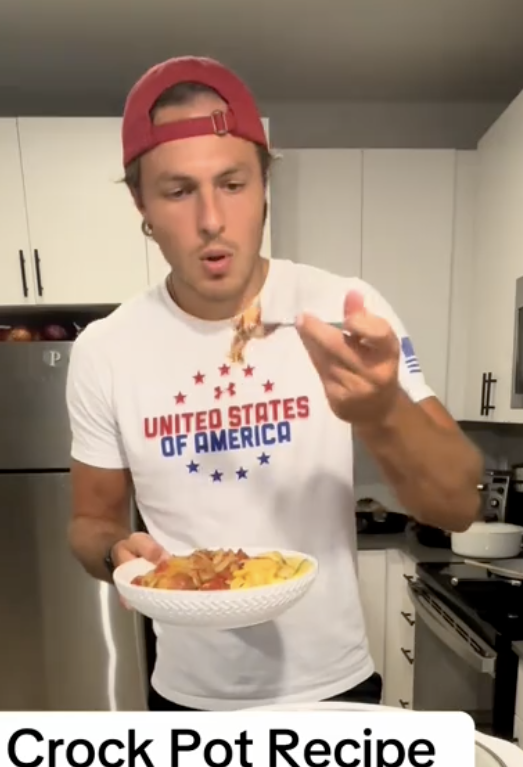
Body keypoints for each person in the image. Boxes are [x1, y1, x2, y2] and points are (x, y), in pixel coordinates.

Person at [66, 55, 483, 713]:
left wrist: (382, 414)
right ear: (140, 203)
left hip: (333, 690)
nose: (211, 219)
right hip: (188, 699)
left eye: (232, 183)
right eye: (177, 191)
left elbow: (458, 505)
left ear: (265, 183)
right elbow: (90, 520)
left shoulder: (345, 308)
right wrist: (116, 549)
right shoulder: (105, 350)